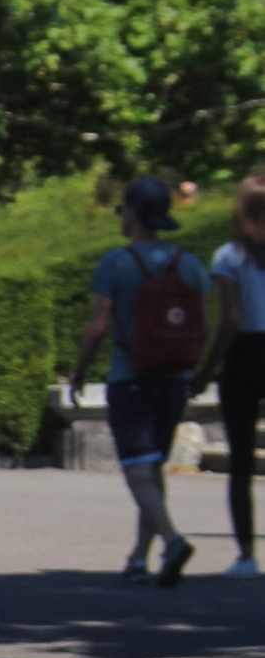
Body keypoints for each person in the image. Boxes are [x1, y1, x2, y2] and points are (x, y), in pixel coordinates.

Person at [71, 177, 209, 586]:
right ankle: (138, 557)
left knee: (137, 470)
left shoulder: (115, 263)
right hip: (174, 377)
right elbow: (201, 322)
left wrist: (79, 371)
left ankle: (172, 539)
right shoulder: (189, 263)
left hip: (130, 376)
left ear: (132, 213)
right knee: (152, 468)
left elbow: (97, 327)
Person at [204, 174, 265, 580]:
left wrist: (208, 368)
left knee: (241, 459)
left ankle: (246, 555)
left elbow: (230, 318)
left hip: (246, 354)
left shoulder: (229, 256)